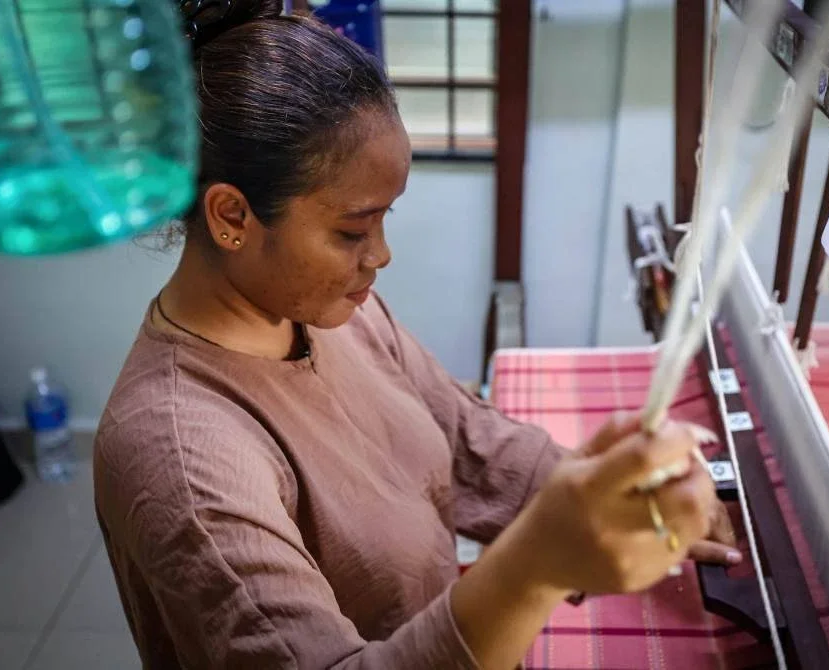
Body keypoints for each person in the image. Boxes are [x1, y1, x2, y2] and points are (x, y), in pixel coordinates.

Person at [93, 2, 739, 668]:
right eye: (352, 231)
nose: (380, 255)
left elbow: (466, 438)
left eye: (384, 220)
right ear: (232, 215)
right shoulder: (183, 456)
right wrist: (534, 565)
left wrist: (606, 486)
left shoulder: (329, 311)